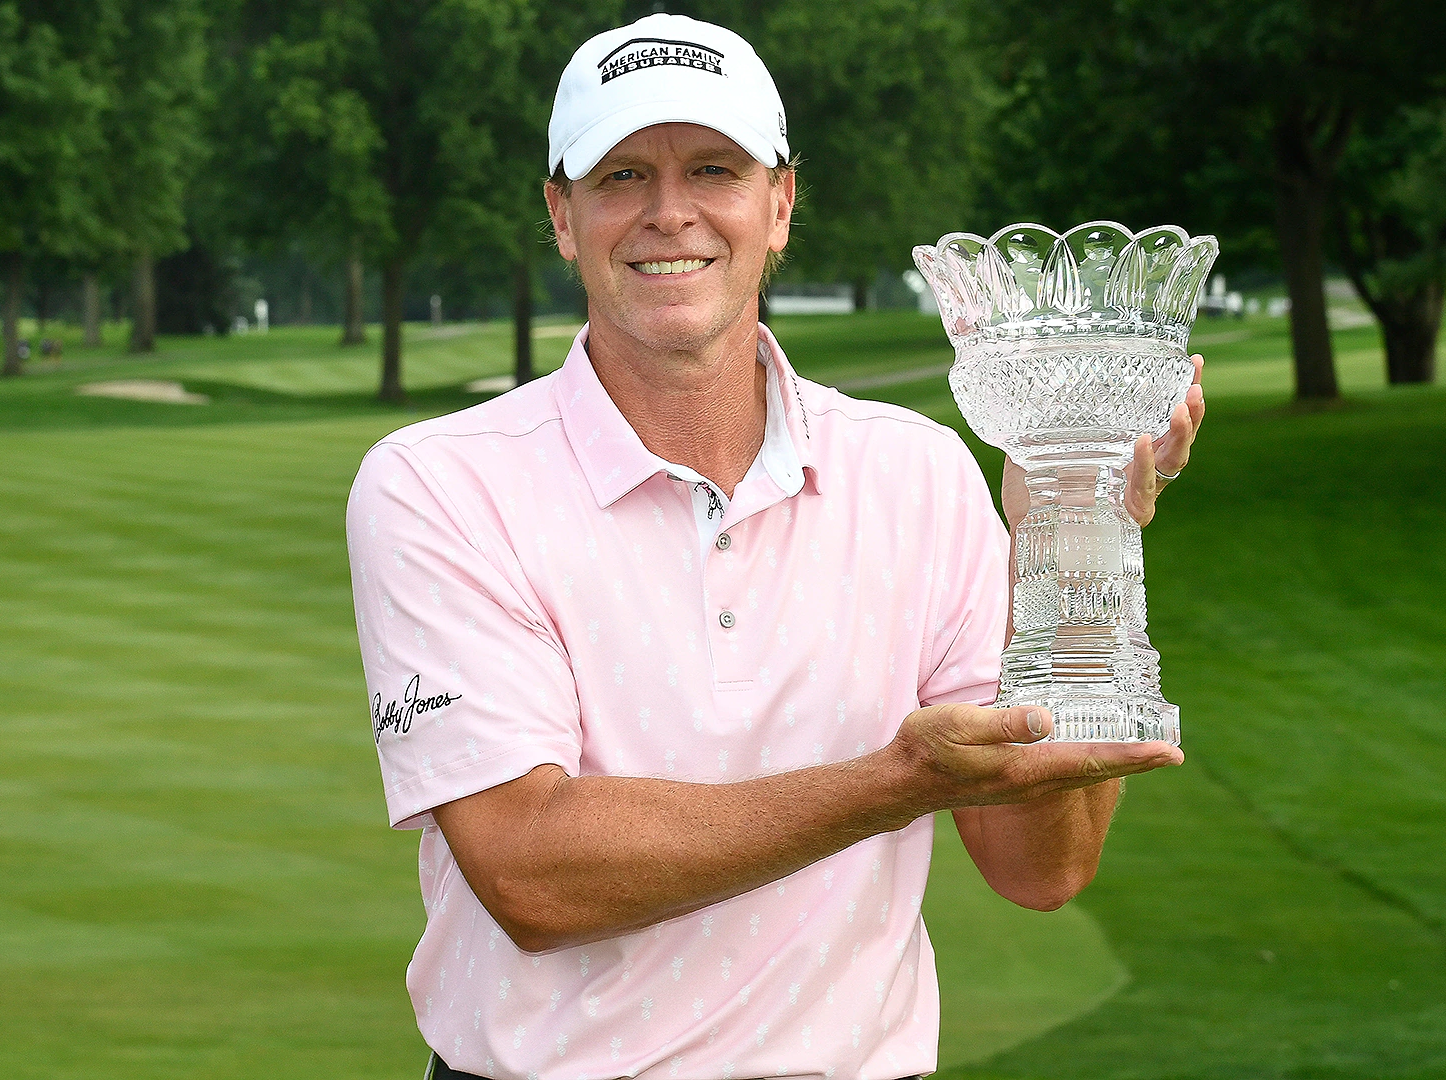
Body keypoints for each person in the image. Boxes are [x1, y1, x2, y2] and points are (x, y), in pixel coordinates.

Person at [345, 14, 1204, 1080]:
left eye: (714, 168)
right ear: (561, 215)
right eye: (621, 175)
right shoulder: (440, 482)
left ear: (780, 203)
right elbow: (533, 873)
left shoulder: (918, 472)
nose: (671, 213)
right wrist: (895, 782)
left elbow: (1041, 865)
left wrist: (1075, 545)